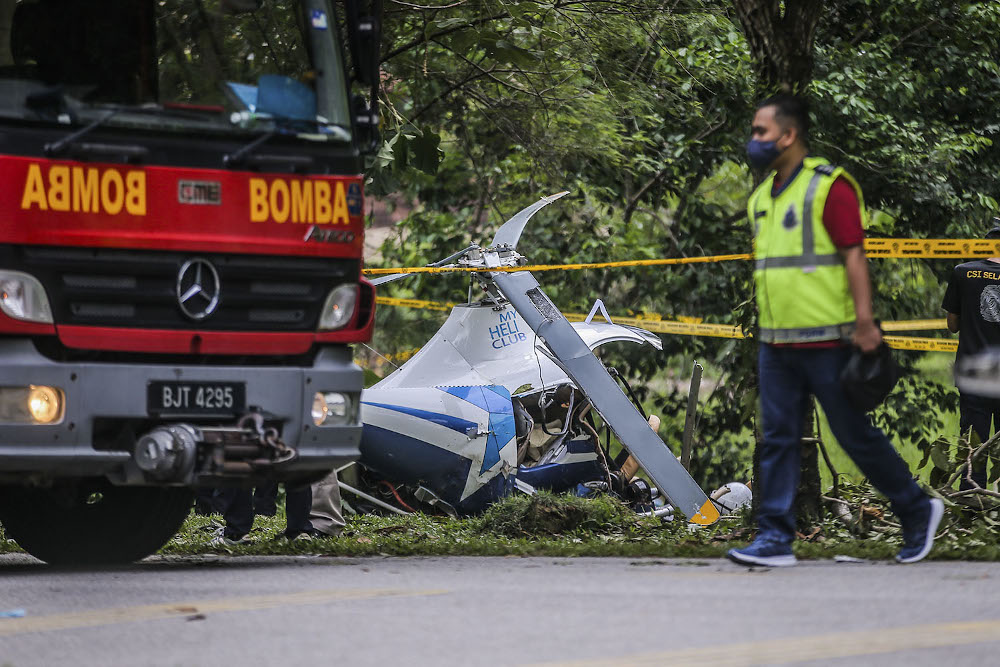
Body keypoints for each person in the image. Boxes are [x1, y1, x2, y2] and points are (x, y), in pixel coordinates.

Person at [727, 93, 943, 567]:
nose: (754, 141)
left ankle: (916, 509)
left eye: (761, 132)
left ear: (788, 135)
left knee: (853, 436)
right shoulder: (763, 197)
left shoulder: (830, 186)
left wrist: (865, 323)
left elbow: (853, 254)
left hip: (829, 340)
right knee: (778, 437)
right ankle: (775, 539)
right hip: (777, 342)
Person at [941, 222, 1000, 488]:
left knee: (973, 450)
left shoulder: (963, 272)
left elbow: (952, 325)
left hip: (974, 374)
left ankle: (972, 507)